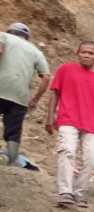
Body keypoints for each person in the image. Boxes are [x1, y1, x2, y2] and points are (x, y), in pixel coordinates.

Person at [46, 41, 94, 209]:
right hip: (68, 119)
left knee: (91, 159)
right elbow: (55, 94)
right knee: (67, 151)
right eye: (83, 52)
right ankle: (65, 192)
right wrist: (50, 116)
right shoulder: (65, 69)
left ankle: (79, 193)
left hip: (91, 124)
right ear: (77, 53)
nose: (86, 55)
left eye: (90, 53)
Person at [0, 22, 50, 166]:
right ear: (26, 37)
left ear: (10, 31)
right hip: (20, 97)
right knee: (13, 132)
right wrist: (35, 99)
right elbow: (46, 77)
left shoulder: (4, 36)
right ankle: (10, 163)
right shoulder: (36, 51)